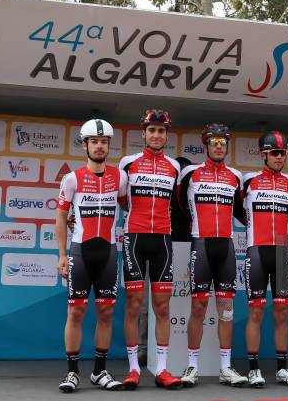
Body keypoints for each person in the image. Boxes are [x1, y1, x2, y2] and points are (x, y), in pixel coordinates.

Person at [56, 119, 125, 393]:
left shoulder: (121, 177)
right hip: (80, 251)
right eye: (95, 142)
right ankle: (72, 372)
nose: (99, 146)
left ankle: (99, 371)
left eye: (104, 142)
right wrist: (61, 254)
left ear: (109, 146)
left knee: (106, 311)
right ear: (85, 145)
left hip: (108, 252)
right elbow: (61, 217)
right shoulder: (72, 178)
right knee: (76, 311)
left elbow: (128, 205)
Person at [179, 124, 248, 387]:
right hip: (202, 244)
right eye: (214, 141)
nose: (219, 146)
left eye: (223, 142)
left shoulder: (235, 176)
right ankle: (192, 366)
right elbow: (180, 205)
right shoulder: (191, 174)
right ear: (205, 144)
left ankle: (226, 368)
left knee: (226, 311)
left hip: (227, 247)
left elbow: (242, 210)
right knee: (198, 307)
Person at [118, 109, 182, 390]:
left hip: (163, 241)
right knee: (133, 306)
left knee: (162, 306)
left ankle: (162, 369)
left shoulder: (174, 167)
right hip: (134, 238)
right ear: (143, 133)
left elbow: (178, 204)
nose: (156, 135)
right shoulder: (128, 163)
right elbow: (120, 200)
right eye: (151, 130)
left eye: (161, 131)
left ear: (167, 135)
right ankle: (133, 370)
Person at [243, 130, 288, 388]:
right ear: (263, 154)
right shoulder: (248, 181)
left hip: (282, 253)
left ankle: (282, 369)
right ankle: (253, 369)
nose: (280, 158)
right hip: (257, 251)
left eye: (283, 153)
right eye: (275, 153)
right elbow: (237, 211)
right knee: (255, 311)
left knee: (282, 313)